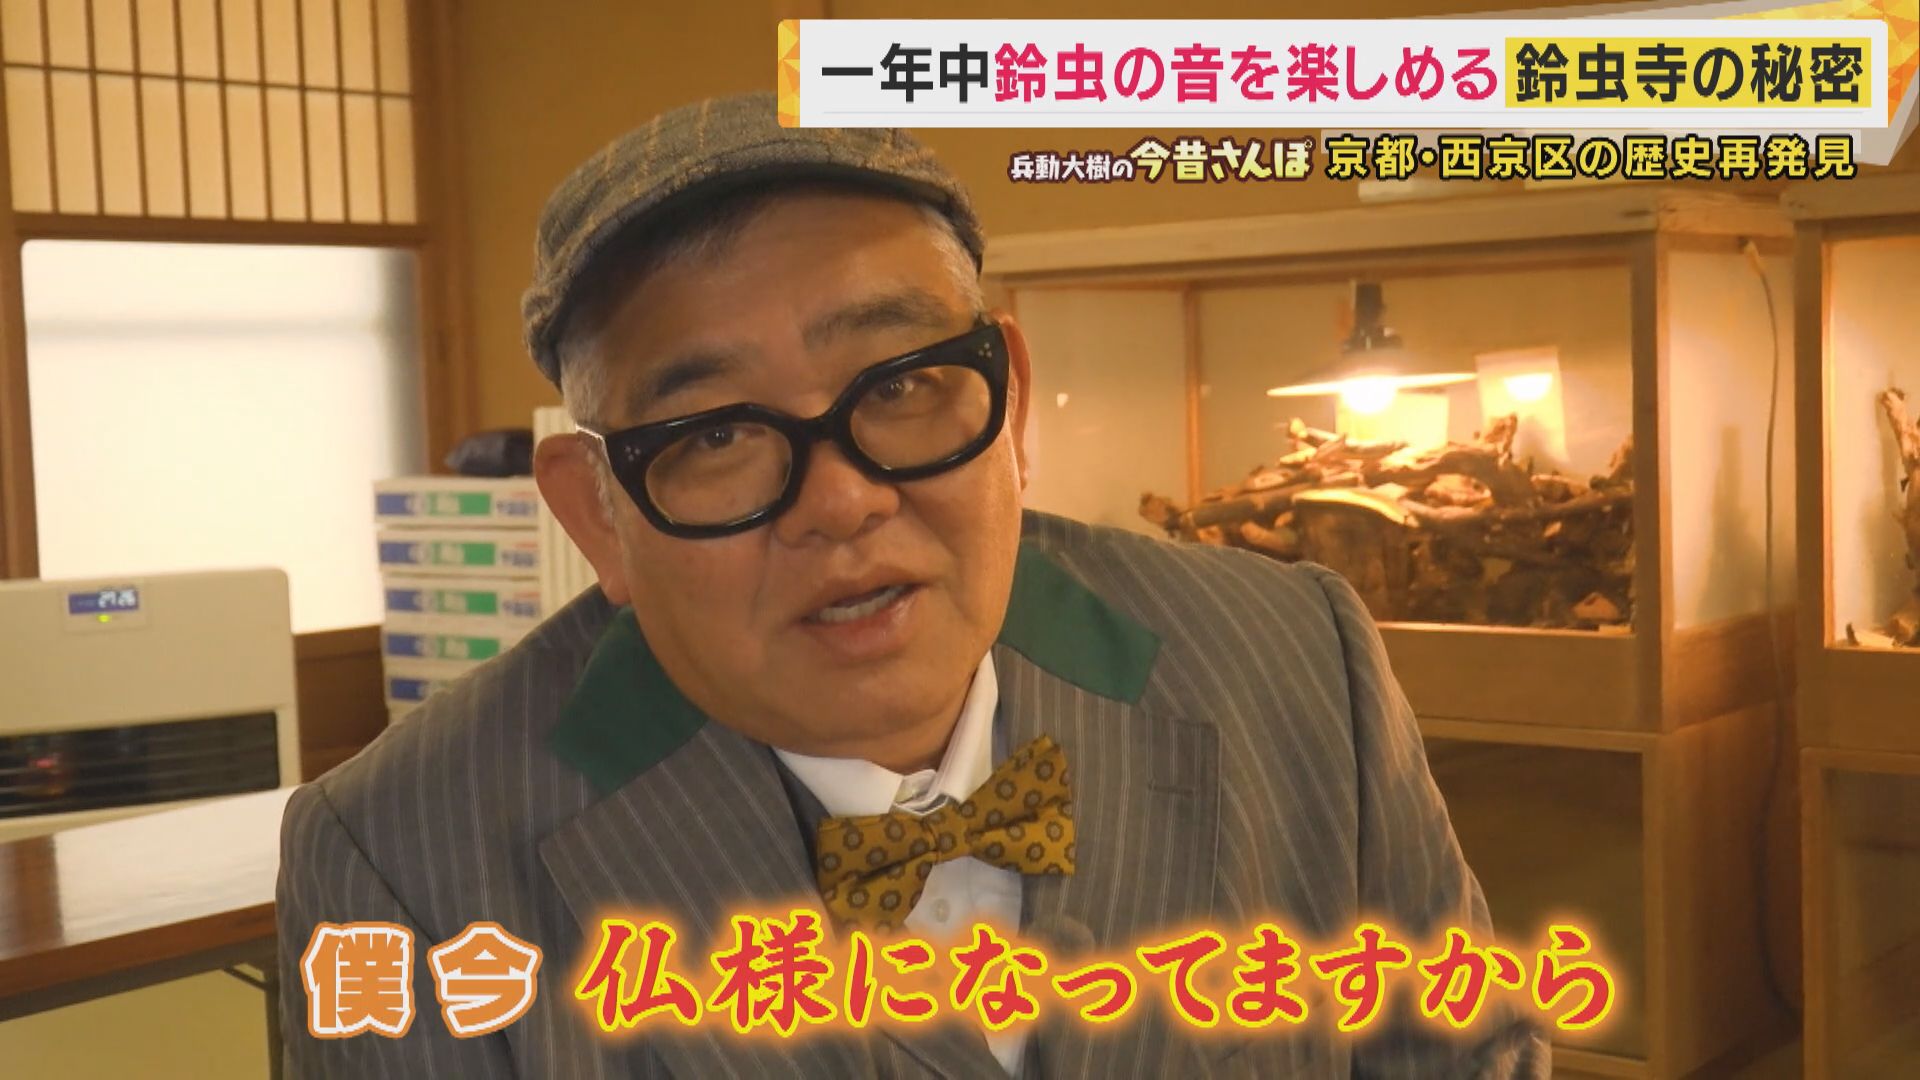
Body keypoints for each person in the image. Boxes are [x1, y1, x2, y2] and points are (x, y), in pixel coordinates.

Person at [276, 90, 1549, 1078]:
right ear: (596, 514)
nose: (841, 502)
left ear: (1012, 403)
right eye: (715, 436)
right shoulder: (399, 858)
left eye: (899, 386)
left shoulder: (1294, 657)